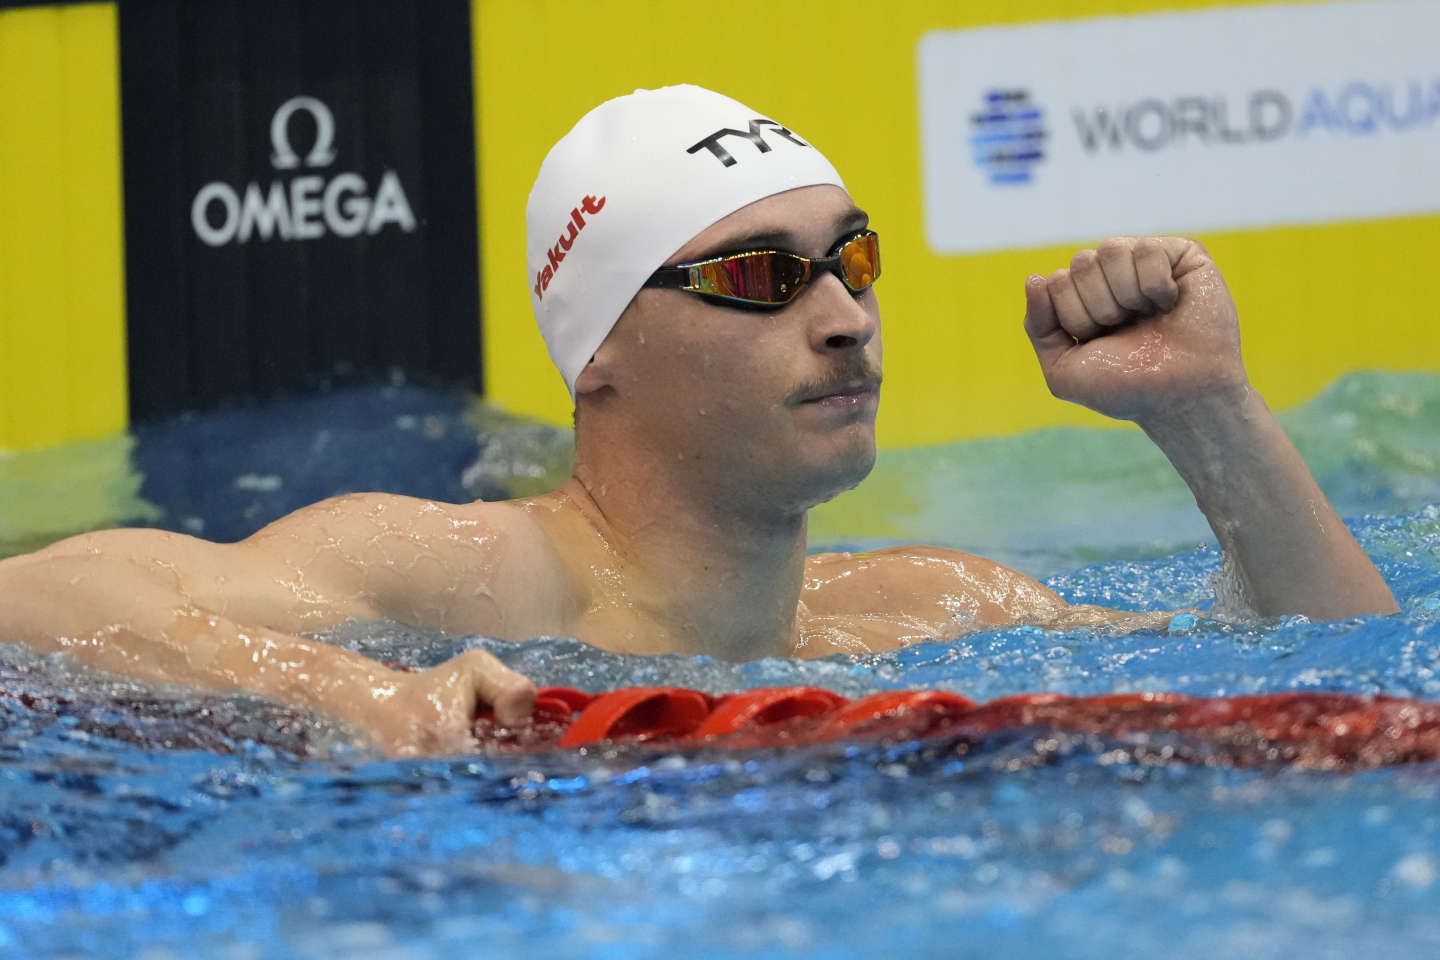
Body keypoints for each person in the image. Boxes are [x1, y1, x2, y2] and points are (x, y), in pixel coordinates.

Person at [0, 86, 1397, 756]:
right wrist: (350, 690)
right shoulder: (479, 575)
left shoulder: (931, 604)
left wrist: (1209, 414)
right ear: (598, 351)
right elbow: (42, 593)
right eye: (755, 279)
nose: (844, 317)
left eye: (850, 260)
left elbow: (1340, 683)